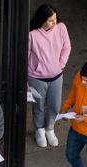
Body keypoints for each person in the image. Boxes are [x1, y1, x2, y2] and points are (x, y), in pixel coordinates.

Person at [28, 4, 71, 147]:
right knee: (38, 105)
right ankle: (39, 130)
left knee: (54, 105)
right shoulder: (32, 34)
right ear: (42, 20)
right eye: (51, 20)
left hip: (56, 76)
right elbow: (25, 55)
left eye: (55, 19)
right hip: (36, 77)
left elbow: (67, 47)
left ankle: (49, 128)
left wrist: (61, 64)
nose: (54, 22)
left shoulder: (61, 27)